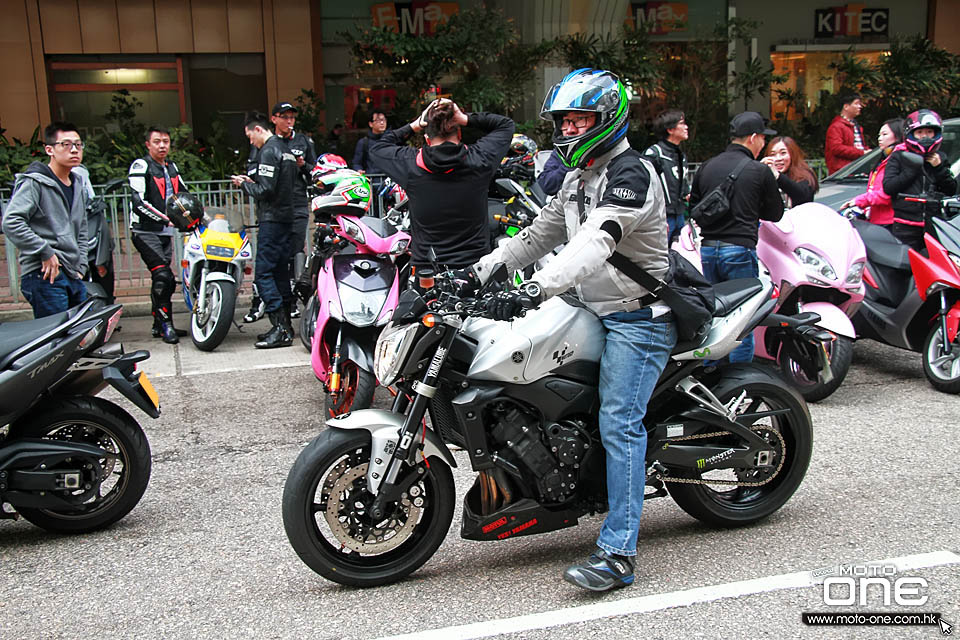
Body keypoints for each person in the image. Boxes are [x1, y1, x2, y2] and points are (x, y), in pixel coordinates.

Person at [457, 68, 675, 592]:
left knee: (620, 422)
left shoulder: (632, 174)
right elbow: (536, 235)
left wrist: (537, 287)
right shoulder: (577, 179)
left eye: (581, 119)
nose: (571, 130)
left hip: (635, 317)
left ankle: (619, 551)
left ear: (608, 118)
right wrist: (478, 273)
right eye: (565, 121)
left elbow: (595, 243)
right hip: (590, 307)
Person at [369, 98, 514, 270]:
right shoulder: (479, 160)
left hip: (428, 273)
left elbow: (377, 148)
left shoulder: (411, 165)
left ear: (427, 140)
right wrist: (465, 118)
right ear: (459, 135)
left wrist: (414, 125)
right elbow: (506, 125)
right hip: (475, 271)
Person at [689, 111, 784, 362]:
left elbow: (694, 206)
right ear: (753, 137)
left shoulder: (707, 166)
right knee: (742, 320)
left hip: (708, 250)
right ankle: (740, 381)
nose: (763, 144)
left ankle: (713, 377)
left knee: (717, 318)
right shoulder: (758, 170)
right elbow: (775, 213)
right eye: (763, 138)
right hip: (740, 249)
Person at [2, 122, 89, 318]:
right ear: (49, 149)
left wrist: (81, 266)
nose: (74, 150)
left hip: (73, 273)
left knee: (81, 336)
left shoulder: (77, 184)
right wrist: (45, 251)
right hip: (44, 274)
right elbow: (11, 222)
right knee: (57, 341)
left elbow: (82, 229)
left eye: (78, 144)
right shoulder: (35, 182)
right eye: (66, 144)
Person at [231, 112, 298, 348]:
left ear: (258, 130)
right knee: (280, 273)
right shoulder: (286, 150)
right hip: (287, 217)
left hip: (273, 219)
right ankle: (285, 328)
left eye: (250, 137)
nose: (251, 143)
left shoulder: (269, 150)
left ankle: (279, 326)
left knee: (264, 274)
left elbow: (265, 190)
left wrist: (245, 185)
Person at [128, 125, 189, 344]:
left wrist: (198, 216)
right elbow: (138, 202)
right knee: (163, 276)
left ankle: (159, 324)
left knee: (164, 280)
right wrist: (165, 219)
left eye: (165, 141)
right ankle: (165, 325)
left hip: (165, 233)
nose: (162, 145)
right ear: (148, 144)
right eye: (157, 142)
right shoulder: (141, 165)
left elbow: (183, 195)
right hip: (144, 231)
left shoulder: (171, 167)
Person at [882, 109, 958, 251]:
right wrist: (911, 169)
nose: (925, 137)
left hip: (934, 223)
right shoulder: (899, 156)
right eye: (920, 133)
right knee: (906, 265)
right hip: (905, 225)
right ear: (911, 134)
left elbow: (951, 189)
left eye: (929, 132)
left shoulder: (939, 157)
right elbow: (889, 187)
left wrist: (939, 168)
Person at [271, 101, 317, 319]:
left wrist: (302, 166)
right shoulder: (269, 143)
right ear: (274, 119)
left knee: (296, 251)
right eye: (284, 117)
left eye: (292, 117)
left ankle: (296, 298)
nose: (289, 121)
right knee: (278, 253)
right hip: (275, 205)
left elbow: (315, 171)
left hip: (298, 203)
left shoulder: (303, 141)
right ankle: (277, 300)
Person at [841, 118, 903, 228]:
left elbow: (887, 194)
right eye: (879, 135)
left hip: (890, 222)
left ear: (898, 136)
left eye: (885, 134)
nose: (880, 139)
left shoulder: (899, 160)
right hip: (876, 220)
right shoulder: (883, 159)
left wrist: (860, 201)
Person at [644, 109, 690, 242]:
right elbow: (646, 188)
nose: (686, 127)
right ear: (670, 129)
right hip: (662, 218)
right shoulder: (654, 154)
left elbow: (683, 185)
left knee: (679, 256)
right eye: (682, 123)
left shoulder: (680, 155)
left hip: (680, 215)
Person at [760, 136, 818, 207]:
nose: (778, 158)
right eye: (773, 154)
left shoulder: (805, 173)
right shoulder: (766, 175)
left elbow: (803, 196)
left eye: (783, 153)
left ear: (792, 154)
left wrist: (778, 176)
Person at [825, 91, 870, 175]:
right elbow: (836, 148)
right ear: (846, 106)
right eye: (856, 104)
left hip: (855, 169)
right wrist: (862, 153)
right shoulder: (836, 126)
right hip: (843, 173)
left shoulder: (855, 125)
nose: (859, 107)